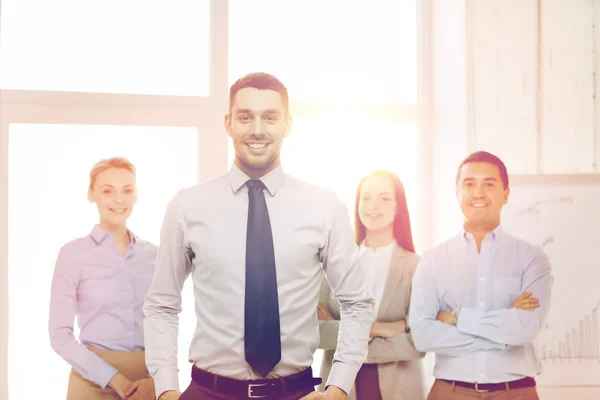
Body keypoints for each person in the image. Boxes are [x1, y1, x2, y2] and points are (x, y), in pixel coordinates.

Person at [143, 72, 374, 400]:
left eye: (270, 117)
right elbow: (162, 304)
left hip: (296, 392)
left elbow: (357, 302)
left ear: (287, 124)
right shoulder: (187, 206)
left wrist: (337, 389)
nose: (257, 130)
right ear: (228, 124)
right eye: (245, 117)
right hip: (209, 393)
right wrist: (166, 390)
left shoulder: (323, 206)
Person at [408, 151, 552, 400]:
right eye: (469, 184)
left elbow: (525, 330)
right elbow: (422, 335)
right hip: (449, 392)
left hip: (515, 392)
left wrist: (456, 317)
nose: (478, 193)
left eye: (489, 184)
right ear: (457, 193)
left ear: (505, 194)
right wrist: (503, 333)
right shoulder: (432, 260)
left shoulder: (531, 258)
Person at [49, 157, 158, 400]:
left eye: (127, 190)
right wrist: (114, 378)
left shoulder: (154, 255)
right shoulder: (73, 254)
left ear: (136, 195)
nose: (119, 200)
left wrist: (158, 381)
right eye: (107, 191)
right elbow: (59, 335)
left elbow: (165, 323)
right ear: (91, 194)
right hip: (91, 380)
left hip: (146, 382)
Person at [318, 170, 425, 400]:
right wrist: (377, 329)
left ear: (398, 206)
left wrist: (346, 333)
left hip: (398, 388)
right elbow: (314, 331)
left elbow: (418, 342)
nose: (373, 205)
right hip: (338, 387)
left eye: (384, 198)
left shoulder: (416, 267)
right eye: (366, 197)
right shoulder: (334, 262)